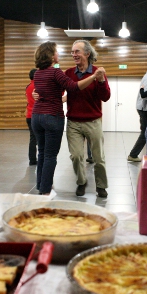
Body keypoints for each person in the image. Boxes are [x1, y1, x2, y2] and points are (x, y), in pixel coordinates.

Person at [31, 41, 104, 195]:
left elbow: (43, 89)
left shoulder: (38, 73)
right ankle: (44, 192)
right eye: (56, 52)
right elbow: (73, 87)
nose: (60, 54)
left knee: (42, 153)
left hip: (36, 117)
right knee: (50, 155)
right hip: (52, 117)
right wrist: (93, 78)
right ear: (51, 56)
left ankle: (41, 185)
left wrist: (35, 94)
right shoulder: (56, 72)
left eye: (76, 51)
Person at [65, 39, 110, 198]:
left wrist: (102, 80)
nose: (74, 54)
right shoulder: (69, 73)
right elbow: (63, 90)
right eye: (72, 52)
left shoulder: (98, 72)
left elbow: (105, 97)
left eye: (77, 51)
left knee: (98, 158)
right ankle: (81, 181)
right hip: (73, 122)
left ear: (87, 53)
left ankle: (101, 186)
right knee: (76, 156)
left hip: (93, 121)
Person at [25, 68, 38, 165]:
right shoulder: (38, 86)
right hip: (37, 115)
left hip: (29, 115)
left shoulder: (28, 86)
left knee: (33, 138)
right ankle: (33, 159)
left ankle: (32, 159)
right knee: (38, 138)